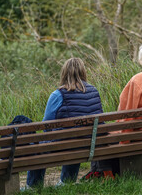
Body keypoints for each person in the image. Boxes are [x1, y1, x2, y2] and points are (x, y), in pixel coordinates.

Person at [26, 57, 104, 188]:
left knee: (40, 147)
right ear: (83, 72)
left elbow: (46, 125)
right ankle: (67, 181)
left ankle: (33, 186)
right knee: (76, 139)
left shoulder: (58, 94)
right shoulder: (94, 91)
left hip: (66, 145)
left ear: (64, 73)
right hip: (90, 144)